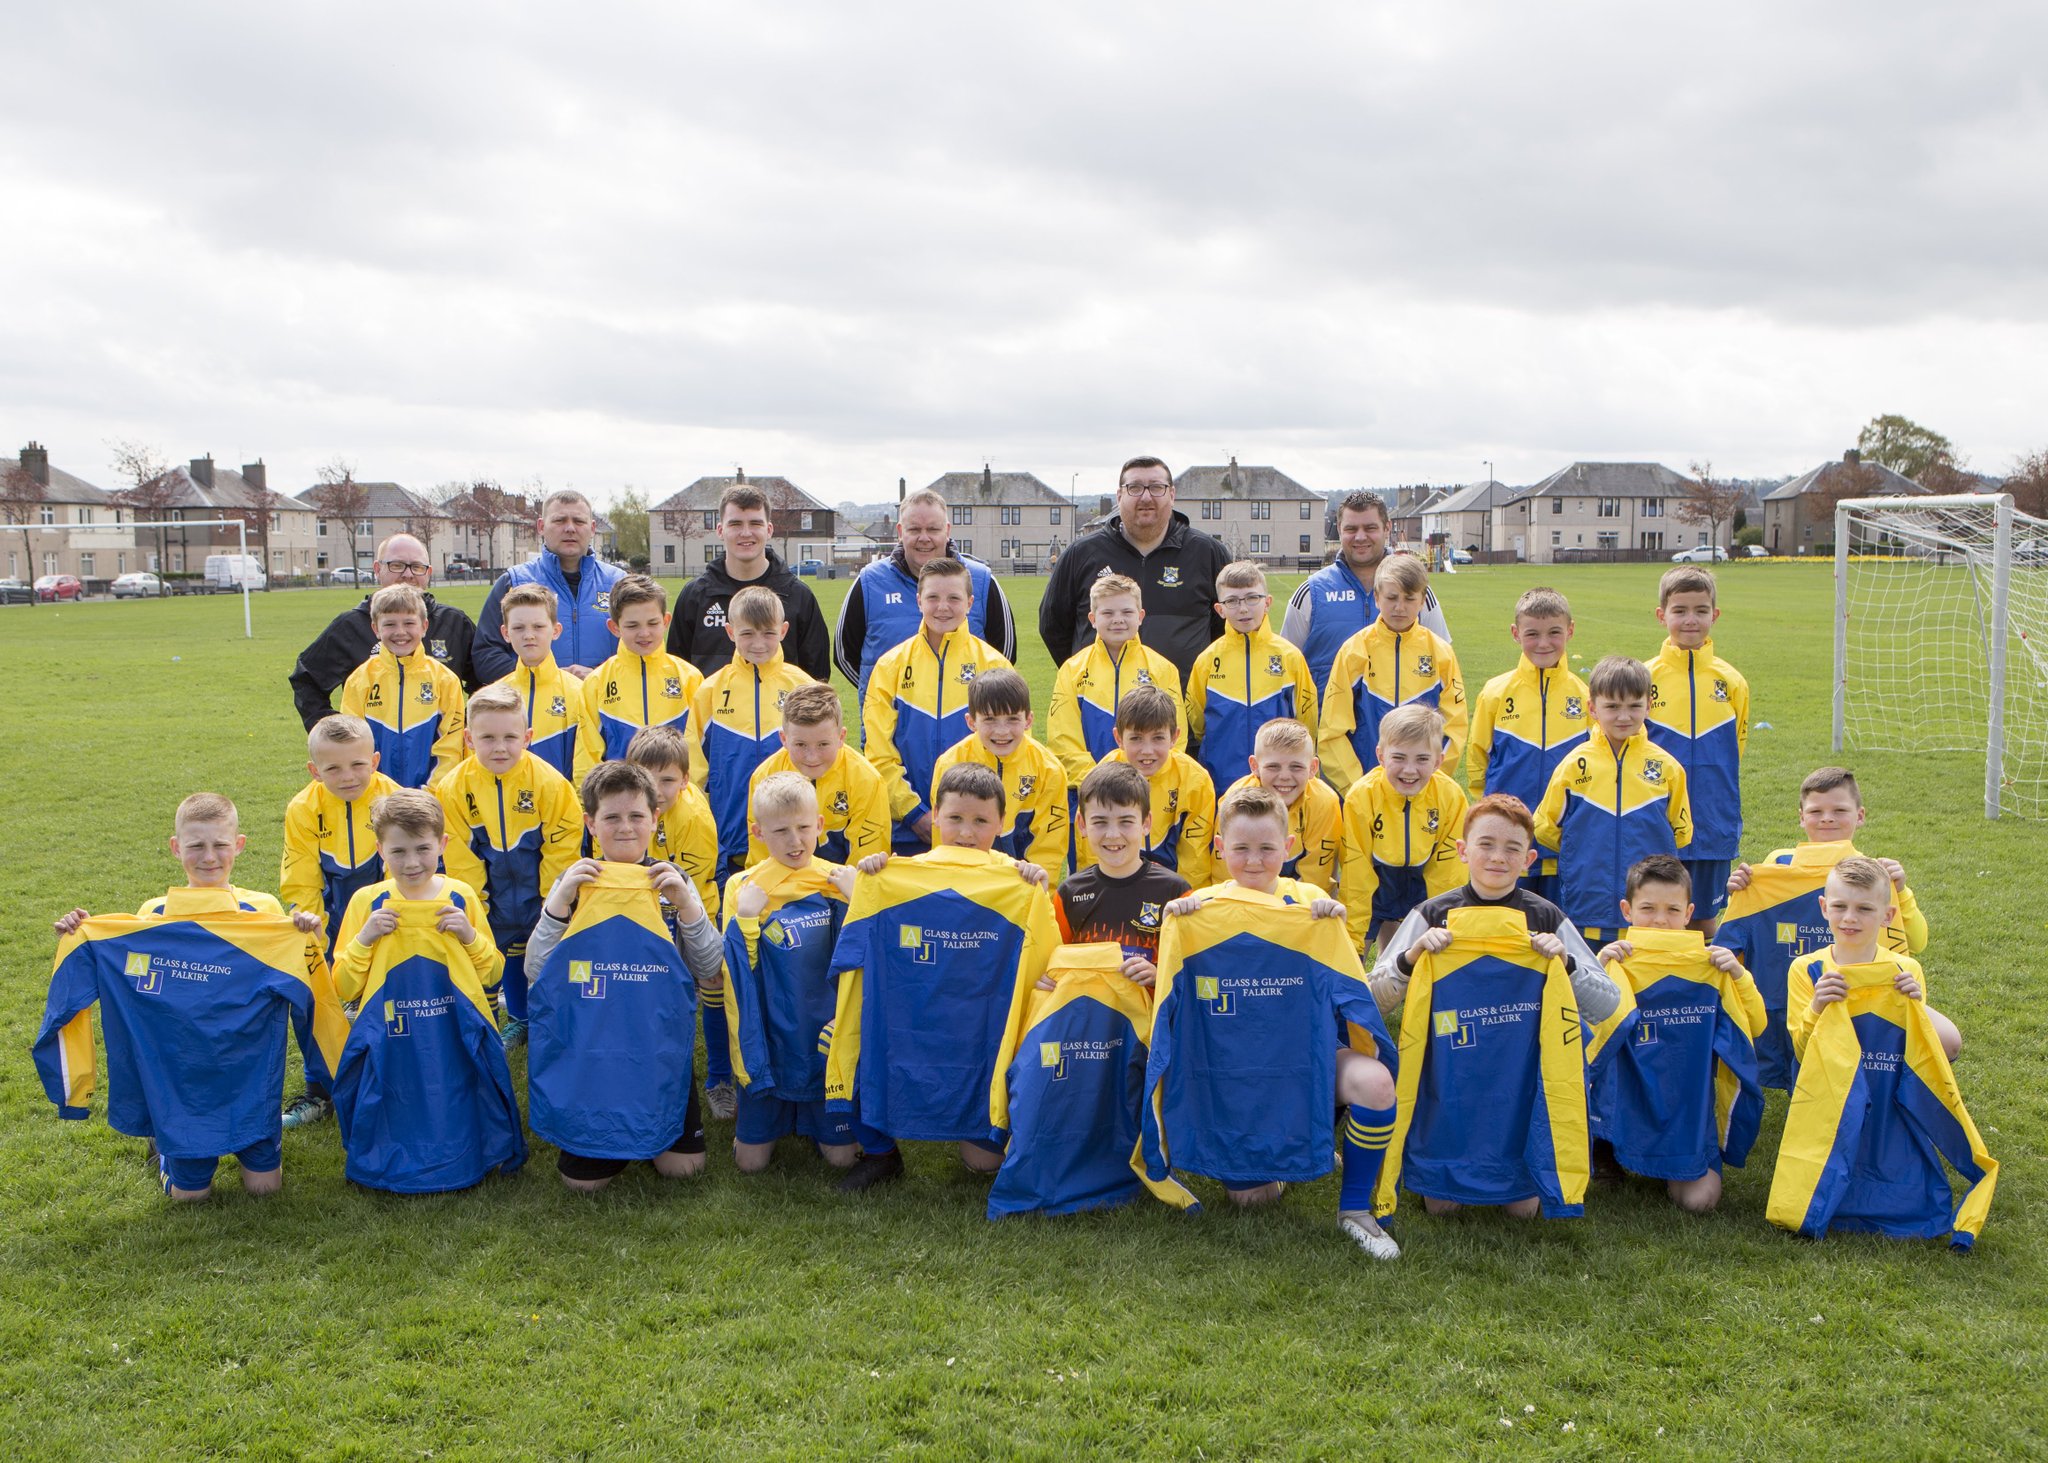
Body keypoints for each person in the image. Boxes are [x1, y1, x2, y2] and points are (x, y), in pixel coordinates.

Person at [1145, 786, 1401, 1258]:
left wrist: (1331, 920)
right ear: (1219, 848)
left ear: (1288, 847)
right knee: (1251, 1200)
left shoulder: (1309, 903)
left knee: (1377, 1084)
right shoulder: (1199, 909)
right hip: (1233, 1073)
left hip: (1306, 1059)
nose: (1254, 860)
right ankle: (1293, 1154)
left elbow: (1355, 997)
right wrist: (1177, 920)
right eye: (1240, 848)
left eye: (1267, 848)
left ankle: (1355, 1209)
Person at [45, 793, 329, 1199]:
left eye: (220, 845)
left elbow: (300, 968)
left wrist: (306, 931)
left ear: (239, 845)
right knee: (190, 1198)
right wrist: (86, 935)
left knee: (265, 1189)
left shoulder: (263, 910)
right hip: (182, 1078)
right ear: (176, 848)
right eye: (196, 846)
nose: (209, 857)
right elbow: (130, 964)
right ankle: (164, 1145)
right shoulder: (155, 913)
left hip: (248, 1074)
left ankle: (246, 1139)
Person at [824, 764, 1060, 1192]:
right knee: (854, 1041)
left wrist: (1036, 888)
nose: (966, 833)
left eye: (980, 821)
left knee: (983, 1162)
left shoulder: (1017, 881)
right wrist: (873, 879)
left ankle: (995, 1130)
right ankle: (879, 1152)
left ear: (1002, 823)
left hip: (978, 1027)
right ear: (934, 816)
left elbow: (1046, 967)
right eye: (955, 818)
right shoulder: (898, 876)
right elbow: (852, 953)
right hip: (911, 1019)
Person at [523, 761, 721, 1191]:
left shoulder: (673, 881)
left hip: (656, 1047)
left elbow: (710, 968)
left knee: (684, 1169)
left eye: (636, 816)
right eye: (611, 817)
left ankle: (647, 1129)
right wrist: (559, 904)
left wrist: (687, 906)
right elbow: (536, 970)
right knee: (582, 1185)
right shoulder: (575, 882)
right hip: (592, 1051)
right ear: (591, 824)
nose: (626, 827)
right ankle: (613, 1133)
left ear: (655, 818)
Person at [328, 790, 526, 1194]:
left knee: (455, 1088)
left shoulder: (460, 896)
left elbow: (492, 973)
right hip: (393, 1035)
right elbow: (344, 985)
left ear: (442, 844)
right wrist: (365, 939)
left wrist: (469, 935)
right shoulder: (368, 902)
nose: (412, 862)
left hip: (452, 1029)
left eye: (422, 848)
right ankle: (391, 1156)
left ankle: (465, 1154)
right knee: (396, 1092)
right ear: (380, 850)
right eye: (398, 851)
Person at [1716, 766, 1930, 1088]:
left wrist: (1902, 894)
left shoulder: (1872, 875)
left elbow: (1916, 941)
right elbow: (1744, 927)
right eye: (1816, 811)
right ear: (1801, 817)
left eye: (1839, 811)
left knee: (1944, 1040)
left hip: (1854, 999)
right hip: (1786, 992)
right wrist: (1743, 892)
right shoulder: (1778, 865)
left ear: (1860, 816)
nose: (1827, 819)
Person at [1590, 856, 1765, 1214]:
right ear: (1626, 910)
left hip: (1687, 1110)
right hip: (1628, 1101)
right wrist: (1597, 969)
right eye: (1648, 908)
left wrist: (1739, 977)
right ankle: (1605, 1148)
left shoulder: (1710, 967)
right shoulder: (1615, 963)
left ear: (1689, 914)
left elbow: (1755, 1025)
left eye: (1672, 910)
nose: (1660, 920)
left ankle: (1673, 1158)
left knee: (1700, 1202)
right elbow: (1581, 1037)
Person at [721, 771, 860, 1174]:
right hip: (772, 1038)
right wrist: (747, 919)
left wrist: (858, 902)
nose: (795, 841)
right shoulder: (743, 887)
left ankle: (816, 1121)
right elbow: (738, 971)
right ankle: (772, 1118)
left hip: (824, 1042)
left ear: (820, 825)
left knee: (843, 1159)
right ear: (758, 832)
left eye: (803, 828)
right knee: (750, 1164)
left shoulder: (838, 881)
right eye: (780, 831)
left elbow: (864, 958)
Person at [1366, 793, 1607, 1022]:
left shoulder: (1546, 917)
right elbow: (1372, 1001)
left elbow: (1606, 1006)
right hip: (1448, 1048)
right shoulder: (1430, 914)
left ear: (1528, 860)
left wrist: (1568, 963)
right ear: (1463, 851)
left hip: (1526, 1049)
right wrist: (1409, 958)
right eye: (1486, 844)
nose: (1498, 857)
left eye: (1512, 848)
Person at [433, 685, 582, 1048]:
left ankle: (550, 1023)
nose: (500, 747)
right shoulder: (452, 789)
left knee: (544, 960)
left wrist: (552, 902)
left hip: (540, 897)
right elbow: (460, 858)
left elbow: (563, 846)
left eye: (510, 737)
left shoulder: (550, 783)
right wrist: (476, 907)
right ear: (469, 739)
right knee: (487, 960)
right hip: (491, 897)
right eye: (487, 738)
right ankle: (500, 1024)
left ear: (527, 737)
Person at [278, 713, 400, 1128]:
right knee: (315, 1000)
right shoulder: (303, 809)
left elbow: (404, 872)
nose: (347, 776)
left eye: (357, 764)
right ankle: (319, 1089)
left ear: (375, 761)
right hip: (328, 924)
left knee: (384, 1000)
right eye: (333, 768)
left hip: (384, 919)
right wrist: (313, 932)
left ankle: (388, 1080)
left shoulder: (394, 800)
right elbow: (302, 879)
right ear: (315, 771)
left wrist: (383, 928)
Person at [1532, 656, 1692, 946]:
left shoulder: (1668, 768)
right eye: (1613, 707)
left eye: (1634, 706)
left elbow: (1681, 833)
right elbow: (1545, 827)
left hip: (1649, 917)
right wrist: (1580, 853)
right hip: (1587, 906)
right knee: (1589, 974)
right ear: (1593, 708)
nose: (1624, 716)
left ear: (1649, 706)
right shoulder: (1574, 765)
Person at [862, 557, 1013, 852]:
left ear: (970, 603)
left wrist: (975, 814)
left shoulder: (994, 665)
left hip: (975, 828)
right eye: (933, 598)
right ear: (919, 601)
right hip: (906, 828)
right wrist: (913, 812)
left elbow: (1012, 750)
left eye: (953, 598)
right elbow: (878, 753)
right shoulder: (890, 666)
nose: (943, 607)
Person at [1039, 455, 1233, 684]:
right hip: (1100, 701)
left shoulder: (1208, 553)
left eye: (1157, 487)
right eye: (1135, 488)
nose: (1146, 497)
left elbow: (1230, 628)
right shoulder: (1081, 554)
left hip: (1181, 702)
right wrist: (1087, 678)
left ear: (1172, 495)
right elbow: (1053, 627)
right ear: (1119, 496)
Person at [834, 486, 1016, 722]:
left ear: (947, 530)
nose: (924, 538)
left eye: (933, 529)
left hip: (967, 731)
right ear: (900, 531)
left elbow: (1004, 656)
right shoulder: (870, 582)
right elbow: (844, 654)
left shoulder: (981, 581)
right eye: (914, 529)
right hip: (890, 732)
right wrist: (883, 694)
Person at [1466, 587, 1590, 901]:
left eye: (1554, 632)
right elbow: (1478, 758)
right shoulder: (1495, 692)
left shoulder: (1585, 696)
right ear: (1515, 633)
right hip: (1507, 839)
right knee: (1506, 916)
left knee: (1553, 919)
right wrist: (1491, 811)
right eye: (1532, 633)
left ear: (1570, 630)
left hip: (1562, 839)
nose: (1543, 643)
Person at [686, 584, 814, 883]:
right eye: (747, 633)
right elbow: (693, 768)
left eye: (768, 633)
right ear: (730, 632)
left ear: (783, 630)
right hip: (729, 832)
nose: (758, 643)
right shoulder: (711, 690)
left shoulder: (802, 687)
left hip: (793, 837)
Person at [1645, 567, 1750, 929]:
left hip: (1711, 819)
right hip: (1658, 819)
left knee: (1703, 918)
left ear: (1714, 615)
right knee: (1654, 914)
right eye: (1680, 610)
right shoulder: (1645, 677)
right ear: (1662, 615)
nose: (1691, 620)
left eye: (1701, 610)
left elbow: (1736, 747)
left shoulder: (1732, 681)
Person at [289, 533, 477, 729]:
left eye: (417, 567)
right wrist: (336, 734)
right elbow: (307, 680)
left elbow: (486, 681)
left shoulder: (455, 622)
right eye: (397, 565)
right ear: (377, 569)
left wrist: (467, 727)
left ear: (428, 572)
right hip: (373, 747)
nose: (408, 574)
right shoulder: (351, 626)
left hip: (442, 748)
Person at [1788, 857, 1961, 1064]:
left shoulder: (1904, 970)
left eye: (1864, 909)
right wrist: (1817, 1007)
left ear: (1887, 915)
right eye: (1840, 906)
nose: (1850, 917)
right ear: (1824, 907)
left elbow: (1927, 1051)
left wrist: (1917, 1006)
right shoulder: (1806, 969)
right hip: (1829, 1082)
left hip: (1888, 1081)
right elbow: (1802, 1052)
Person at [1320, 552, 1466, 795]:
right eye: (1391, 597)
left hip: (1422, 789)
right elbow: (1332, 731)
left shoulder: (1441, 654)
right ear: (1377, 598)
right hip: (1367, 790)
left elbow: (1455, 728)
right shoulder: (1354, 651)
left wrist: (1428, 780)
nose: (1400, 607)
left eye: (1409, 598)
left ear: (1422, 601)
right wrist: (1359, 788)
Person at [1282, 490, 1451, 700]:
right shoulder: (1311, 593)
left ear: (1387, 528)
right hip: (1328, 721)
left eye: (1370, 528)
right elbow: (1285, 668)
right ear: (1339, 529)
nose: (1360, 537)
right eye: (1351, 529)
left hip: (1400, 721)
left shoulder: (1416, 591)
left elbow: (1445, 666)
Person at [1337, 705, 1469, 956]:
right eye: (1398, 758)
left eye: (1422, 759)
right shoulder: (1361, 797)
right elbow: (1356, 872)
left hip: (1423, 885)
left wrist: (1441, 923)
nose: (1409, 770)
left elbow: (1449, 873)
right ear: (1381, 756)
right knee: (1353, 960)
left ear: (1438, 761)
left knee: (1419, 961)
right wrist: (1355, 939)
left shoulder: (1451, 796)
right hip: (1376, 885)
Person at [668, 482, 832, 682]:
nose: (746, 533)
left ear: (769, 529)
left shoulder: (798, 596)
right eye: (735, 524)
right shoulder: (695, 596)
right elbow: (677, 672)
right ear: (720, 530)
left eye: (755, 523)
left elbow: (816, 677)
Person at [1184, 560, 1318, 798]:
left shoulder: (1290, 657)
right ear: (1220, 610)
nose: (1243, 608)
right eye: (1232, 601)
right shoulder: (1207, 660)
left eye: (1252, 598)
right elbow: (1197, 721)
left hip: (1278, 784)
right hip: (1221, 779)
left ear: (1267, 603)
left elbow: (1307, 720)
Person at [1050, 762, 1190, 986]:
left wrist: (1160, 976)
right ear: (1082, 824)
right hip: (1088, 1007)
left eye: (1126, 822)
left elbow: (1193, 972)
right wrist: (1047, 979)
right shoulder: (1069, 894)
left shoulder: (1175, 892)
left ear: (1146, 823)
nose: (1113, 834)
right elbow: (1052, 963)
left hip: (1148, 1009)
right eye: (1100, 822)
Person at [1044, 571, 1187, 790]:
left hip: (1149, 790)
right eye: (1108, 613)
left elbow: (1176, 736)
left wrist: (1146, 781)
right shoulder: (1072, 670)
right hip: (1092, 790)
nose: (1118, 619)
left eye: (1127, 612)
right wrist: (1096, 782)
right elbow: (1062, 739)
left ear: (1140, 616)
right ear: (1093, 619)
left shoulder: (1163, 669)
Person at [472, 490, 627, 682]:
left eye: (579, 521)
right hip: (535, 700)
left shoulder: (619, 583)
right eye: (559, 520)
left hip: (604, 700)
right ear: (541, 526)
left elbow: (646, 649)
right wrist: (546, 679)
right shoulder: (513, 582)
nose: (570, 528)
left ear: (593, 528)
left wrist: (598, 678)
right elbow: (486, 655)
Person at [931, 668, 1069, 884]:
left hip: (1020, 886)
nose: (1002, 731)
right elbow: (943, 837)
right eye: (990, 719)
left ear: (1028, 720)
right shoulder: (950, 763)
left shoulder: (1049, 769)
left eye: (1012, 719)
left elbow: (1049, 847)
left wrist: (1039, 891)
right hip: (964, 883)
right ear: (971, 721)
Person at [1073, 684, 1215, 891]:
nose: (1147, 750)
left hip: (1172, 889)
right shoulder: (1100, 780)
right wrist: (1098, 893)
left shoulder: (1196, 781)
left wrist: (1187, 898)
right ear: (1119, 738)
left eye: (1158, 738)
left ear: (1174, 737)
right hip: (1115, 885)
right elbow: (1091, 850)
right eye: (1136, 738)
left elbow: (1195, 860)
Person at [572, 575, 705, 782]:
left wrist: (691, 795)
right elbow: (586, 757)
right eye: (632, 626)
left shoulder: (690, 678)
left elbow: (698, 755)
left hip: (676, 797)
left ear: (666, 621)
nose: (644, 633)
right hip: (621, 797)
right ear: (615, 627)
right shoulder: (597, 682)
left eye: (652, 623)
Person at [745, 684, 891, 868]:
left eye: (823, 744)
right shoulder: (764, 777)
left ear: (841, 737)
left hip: (845, 882)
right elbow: (762, 860)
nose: (812, 757)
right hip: (784, 883)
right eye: (800, 745)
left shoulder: (867, 780)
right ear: (784, 739)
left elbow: (866, 865)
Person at [338, 584, 467, 789]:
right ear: (376, 629)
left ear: (424, 626)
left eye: (409, 623)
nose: (400, 632)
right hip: (376, 797)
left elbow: (451, 748)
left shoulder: (445, 681)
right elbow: (352, 746)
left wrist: (430, 793)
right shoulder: (359, 680)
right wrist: (376, 793)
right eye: (390, 624)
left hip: (429, 797)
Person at [1222, 719, 1339, 895]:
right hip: (1246, 885)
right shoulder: (1234, 800)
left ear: (1313, 768)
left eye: (1296, 767)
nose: (1284, 776)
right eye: (1273, 767)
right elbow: (1225, 869)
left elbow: (1316, 876)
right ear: (1255, 766)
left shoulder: (1324, 802)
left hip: (1299, 893)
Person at [491, 584, 587, 781]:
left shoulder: (580, 692)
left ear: (556, 630)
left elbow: (587, 763)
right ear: (506, 633)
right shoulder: (493, 696)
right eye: (518, 628)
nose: (529, 635)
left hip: (562, 800)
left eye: (538, 627)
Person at [626, 728, 721, 922]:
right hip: (639, 905)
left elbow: (689, 887)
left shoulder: (694, 819)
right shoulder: (619, 808)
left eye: (667, 780)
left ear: (684, 780)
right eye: (646, 779)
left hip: (688, 913)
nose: (656, 791)